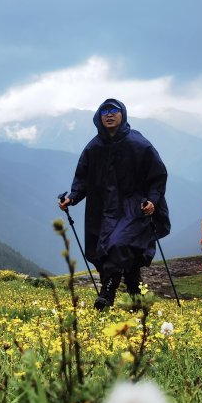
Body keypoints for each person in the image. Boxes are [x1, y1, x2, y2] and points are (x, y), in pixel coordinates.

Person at [58, 98, 171, 309]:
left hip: (133, 207)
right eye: (104, 111)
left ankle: (107, 294)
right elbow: (83, 178)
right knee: (108, 250)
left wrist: (153, 201)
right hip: (102, 209)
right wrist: (71, 198)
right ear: (99, 117)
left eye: (113, 110)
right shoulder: (94, 147)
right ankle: (137, 299)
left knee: (118, 244)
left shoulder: (139, 144)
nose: (109, 114)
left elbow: (158, 175)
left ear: (123, 114)